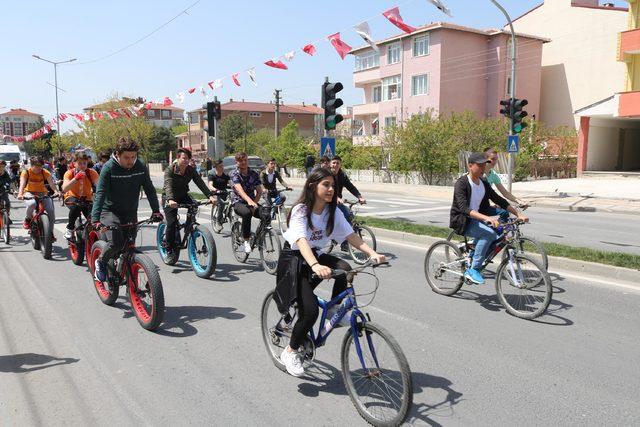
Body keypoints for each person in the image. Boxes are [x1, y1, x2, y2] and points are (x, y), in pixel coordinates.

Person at [276, 168, 386, 377]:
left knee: (344, 269)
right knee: (310, 312)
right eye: (325, 184)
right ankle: (290, 351)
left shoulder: (332, 212)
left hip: (314, 254)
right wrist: (315, 266)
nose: (331, 189)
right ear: (312, 186)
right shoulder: (301, 210)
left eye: (333, 185)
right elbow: (301, 240)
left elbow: (350, 235)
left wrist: (372, 253)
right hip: (295, 260)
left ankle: (335, 309)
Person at [449, 152, 529, 285]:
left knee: (499, 233)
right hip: (463, 220)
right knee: (488, 234)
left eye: (483, 165)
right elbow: (464, 209)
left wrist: (518, 214)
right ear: (470, 166)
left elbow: (499, 199)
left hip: (477, 217)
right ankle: (474, 269)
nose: (482, 168)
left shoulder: (483, 183)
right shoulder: (462, 183)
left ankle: (475, 253)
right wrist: (486, 218)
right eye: (479, 166)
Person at [92, 137, 163, 282]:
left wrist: (156, 210)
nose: (130, 161)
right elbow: (100, 193)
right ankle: (101, 261)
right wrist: (96, 219)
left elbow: (149, 189)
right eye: (126, 157)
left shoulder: (140, 166)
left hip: (130, 210)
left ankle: (128, 277)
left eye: (133, 156)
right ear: (117, 154)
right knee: (117, 243)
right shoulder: (108, 168)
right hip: (110, 210)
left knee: (130, 245)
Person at [162, 147, 216, 253]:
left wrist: (210, 196)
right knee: (172, 222)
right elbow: (168, 185)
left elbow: (200, 183)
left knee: (194, 206)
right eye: (184, 158)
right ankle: (168, 246)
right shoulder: (170, 170)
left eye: (188, 158)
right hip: (169, 198)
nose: (186, 160)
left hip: (182, 195)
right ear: (178, 158)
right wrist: (171, 199)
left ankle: (189, 227)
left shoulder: (190, 170)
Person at [330, 156, 366, 251]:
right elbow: (326, 189)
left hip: (338, 201)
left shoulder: (342, 175)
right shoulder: (327, 175)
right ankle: (334, 236)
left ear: (340, 164)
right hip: (327, 201)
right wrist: (336, 197)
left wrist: (359, 196)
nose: (335, 165)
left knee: (349, 216)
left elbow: (350, 187)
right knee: (341, 216)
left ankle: (344, 243)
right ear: (330, 164)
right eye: (334, 163)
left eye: (338, 163)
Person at [61, 152, 100, 239]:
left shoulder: (92, 173)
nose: (82, 165)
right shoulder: (69, 173)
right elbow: (64, 189)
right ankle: (70, 228)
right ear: (74, 164)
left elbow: (100, 186)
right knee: (76, 207)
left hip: (86, 198)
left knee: (93, 218)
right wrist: (76, 178)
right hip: (71, 196)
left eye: (84, 163)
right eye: (79, 163)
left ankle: (91, 239)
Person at [231, 152, 263, 254]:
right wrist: (250, 202)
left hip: (252, 202)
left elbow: (259, 191)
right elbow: (240, 190)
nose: (244, 162)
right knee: (247, 213)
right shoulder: (234, 174)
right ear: (237, 162)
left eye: (245, 160)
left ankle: (261, 235)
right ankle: (246, 240)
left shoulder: (254, 173)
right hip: (238, 202)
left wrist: (254, 203)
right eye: (241, 161)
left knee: (266, 214)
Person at [17, 156, 60, 230]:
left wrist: (56, 192)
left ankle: (50, 233)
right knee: (32, 204)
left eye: (41, 166)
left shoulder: (45, 172)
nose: (39, 168)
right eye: (37, 166)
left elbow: (51, 184)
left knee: (51, 211)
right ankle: (27, 219)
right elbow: (22, 184)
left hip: (43, 193)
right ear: (32, 165)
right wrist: (20, 194)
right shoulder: (26, 172)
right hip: (29, 193)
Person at [483, 148, 529, 213]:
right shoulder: (477, 173)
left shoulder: (493, 175)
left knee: (505, 212)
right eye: (492, 159)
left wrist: (519, 201)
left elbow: (505, 193)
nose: (495, 161)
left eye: (496, 159)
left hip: (485, 206)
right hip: (475, 208)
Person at [207, 159, 231, 224]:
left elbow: (231, 184)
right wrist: (215, 190)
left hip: (224, 192)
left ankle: (228, 213)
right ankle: (218, 220)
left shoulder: (225, 175)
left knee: (233, 201)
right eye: (220, 166)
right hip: (215, 193)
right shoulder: (212, 175)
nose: (222, 167)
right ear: (216, 167)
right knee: (222, 203)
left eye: (223, 166)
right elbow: (210, 185)